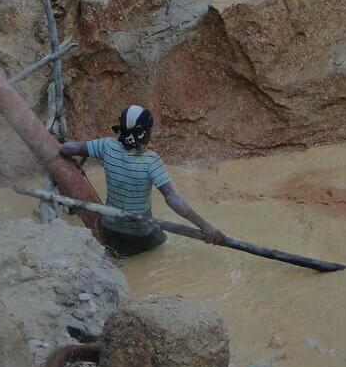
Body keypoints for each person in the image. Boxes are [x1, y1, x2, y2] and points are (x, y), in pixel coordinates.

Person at [59, 105, 225, 258]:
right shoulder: (150, 161)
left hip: (110, 228)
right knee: (162, 246)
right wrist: (205, 226)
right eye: (150, 129)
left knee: (121, 255)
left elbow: (68, 149)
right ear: (143, 133)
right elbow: (173, 199)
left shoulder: (106, 146)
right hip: (141, 233)